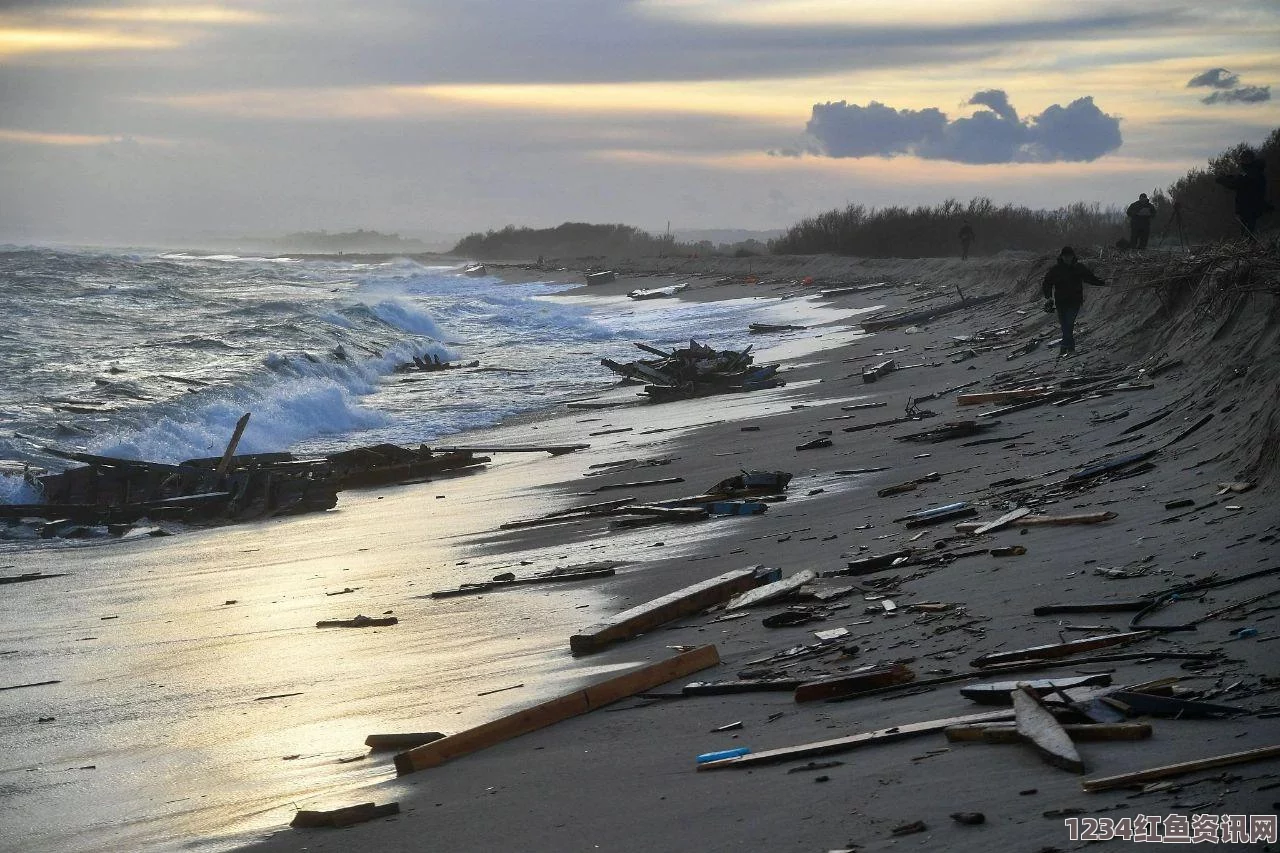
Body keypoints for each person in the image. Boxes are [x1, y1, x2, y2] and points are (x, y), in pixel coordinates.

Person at [1041, 246, 1107, 357]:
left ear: (1073, 256)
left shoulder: (1078, 267)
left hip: (1074, 301)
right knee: (1065, 325)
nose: (1068, 258)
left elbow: (1089, 278)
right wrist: (1049, 297)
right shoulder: (1056, 270)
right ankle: (1069, 348)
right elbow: (1047, 283)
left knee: (1069, 323)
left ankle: (1065, 347)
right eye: (1065, 256)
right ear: (1062, 257)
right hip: (1061, 302)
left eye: (1070, 256)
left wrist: (1101, 283)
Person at [1215, 149, 1271, 241]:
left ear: (1249, 160)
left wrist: (1222, 180)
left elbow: (1236, 183)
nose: (1241, 162)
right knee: (1248, 234)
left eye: (1243, 159)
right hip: (1251, 209)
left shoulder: (1252, 173)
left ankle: (1254, 250)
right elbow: (1238, 178)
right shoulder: (1254, 171)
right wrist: (1226, 176)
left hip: (1250, 209)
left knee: (1248, 235)